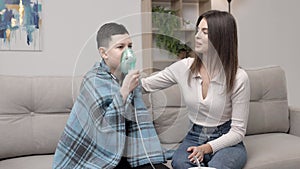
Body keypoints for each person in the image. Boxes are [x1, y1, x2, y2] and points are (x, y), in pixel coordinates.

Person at [141, 10, 250, 169]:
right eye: (197, 30)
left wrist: (206, 148)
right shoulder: (184, 67)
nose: (197, 36)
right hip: (195, 136)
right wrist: (114, 79)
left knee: (220, 165)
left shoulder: (239, 78)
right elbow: (145, 85)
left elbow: (238, 132)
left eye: (204, 32)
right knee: (180, 163)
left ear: (221, 37)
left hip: (227, 139)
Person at [52, 23, 170, 169]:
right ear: (104, 53)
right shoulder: (93, 80)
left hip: (131, 152)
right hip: (101, 154)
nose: (128, 52)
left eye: (130, 46)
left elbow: (139, 121)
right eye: (120, 47)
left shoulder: (131, 78)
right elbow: (103, 128)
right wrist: (125, 90)